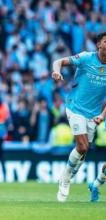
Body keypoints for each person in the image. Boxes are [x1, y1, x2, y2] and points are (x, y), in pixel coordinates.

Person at [52, 32, 106, 202]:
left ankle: (71, 173)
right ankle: (65, 178)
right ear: (99, 44)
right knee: (82, 146)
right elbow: (59, 61)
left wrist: (102, 115)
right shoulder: (85, 58)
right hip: (75, 107)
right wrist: (56, 72)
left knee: (83, 152)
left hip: (93, 114)